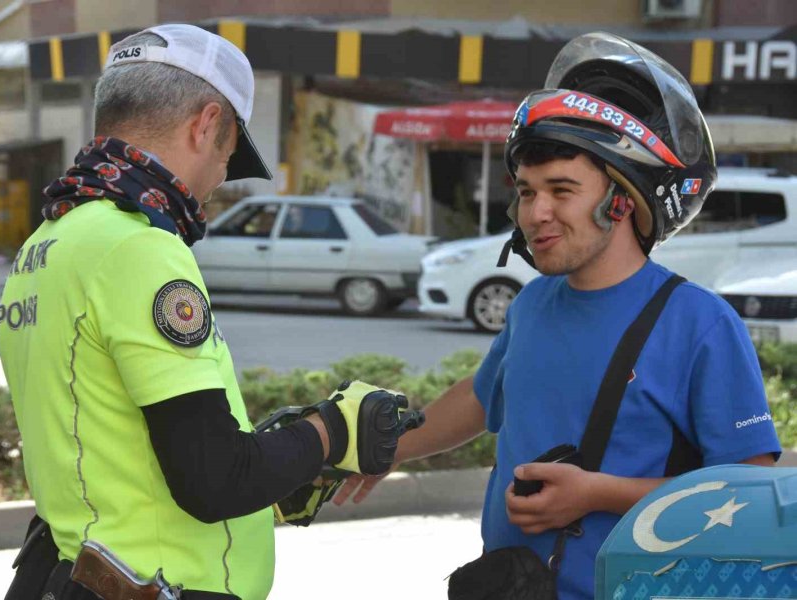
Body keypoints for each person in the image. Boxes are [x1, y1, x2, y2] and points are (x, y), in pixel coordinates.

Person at [334, 32, 782, 600]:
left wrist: (596, 493)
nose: (534, 213)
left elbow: (752, 493)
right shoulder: (533, 304)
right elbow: (482, 396)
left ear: (621, 201)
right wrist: (386, 449)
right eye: (525, 191)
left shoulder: (700, 323)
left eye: (561, 190)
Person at [0, 24, 413, 600]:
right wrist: (334, 428)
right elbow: (215, 480)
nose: (219, 177)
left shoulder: (47, 241)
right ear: (207, 124)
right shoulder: (138, 246)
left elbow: (109, 453)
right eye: (228, 153)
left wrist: (282, 466)